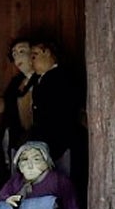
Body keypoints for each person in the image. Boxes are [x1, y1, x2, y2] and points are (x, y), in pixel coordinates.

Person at [29, 40, 83, 179]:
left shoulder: (61, 77)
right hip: (47, 142)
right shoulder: (39, 79)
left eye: (34, 55)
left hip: (61, 140)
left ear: (47, 52)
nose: (32, 61)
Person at [1, 37, 37, 159]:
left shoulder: (46, 79)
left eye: (22, 51)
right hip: (20, 136)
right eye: (14, 54)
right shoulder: (15, 84)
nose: (18, 57)